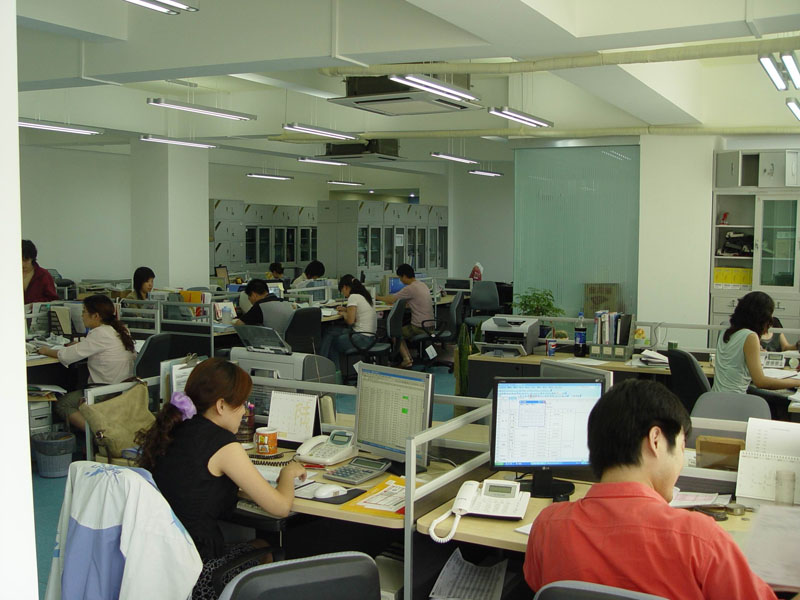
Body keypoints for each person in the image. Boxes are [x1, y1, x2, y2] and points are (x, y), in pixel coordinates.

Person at [524, 379, 777, 600]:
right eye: (681, 447)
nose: (681, 462)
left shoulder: (547, 527)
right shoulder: (699, 539)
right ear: (656, 440)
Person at [136, 358, 307, 600]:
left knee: (258, 544)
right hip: (199, 573)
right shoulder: (222, 444)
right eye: (241, 404)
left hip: (165, 566)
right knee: (265, 550)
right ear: (221, 405)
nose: (245, 411)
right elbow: (280, 507)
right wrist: (287, 474)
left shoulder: (174, 428)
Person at [40, 295, 136, 432]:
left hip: (105, 391)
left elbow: (66, 355)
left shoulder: (99, 333)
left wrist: (45, 350)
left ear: (96, 316)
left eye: (84, 311)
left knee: (63, 404)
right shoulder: (120, 330)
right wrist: (79, 345)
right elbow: (97, 346)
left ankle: (99, 434)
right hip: (124, 389)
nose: (82, 315)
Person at [712, 291, 799, 394]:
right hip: (734, 398)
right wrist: (797, 382)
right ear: (762, 317)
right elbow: (760, 382)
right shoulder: (750, 336)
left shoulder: (726, 330)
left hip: (716, 396)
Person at [376, 264, 433, 368]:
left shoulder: (410, 288)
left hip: (419, 327)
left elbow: (391, 299)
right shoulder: (422, 285)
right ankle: (409, 358)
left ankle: (407, 359)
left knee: (395, 333)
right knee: (402, 326)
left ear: (405, 276)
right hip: (430, 325)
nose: (401, 281)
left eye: (400, 278)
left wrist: (376, 297)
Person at [320, 274, 378, 369]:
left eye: (342, 290)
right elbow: (358, 312)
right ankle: (324, 364)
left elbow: (351, 321)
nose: (343, 294)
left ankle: (327, 368)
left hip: (362, 338)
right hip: (371, 337)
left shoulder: (353, 297)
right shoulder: (364, 295)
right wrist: (346, 309)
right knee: (330, 330)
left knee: (332, 342)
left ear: (345, 287)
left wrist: (344, 314)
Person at [22, 239, 58, 303]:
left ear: (32, 258)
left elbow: (52, 299)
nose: (22, 264)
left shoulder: (43, 275)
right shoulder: (8, 275)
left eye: (26, 260)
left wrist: (34, 303)